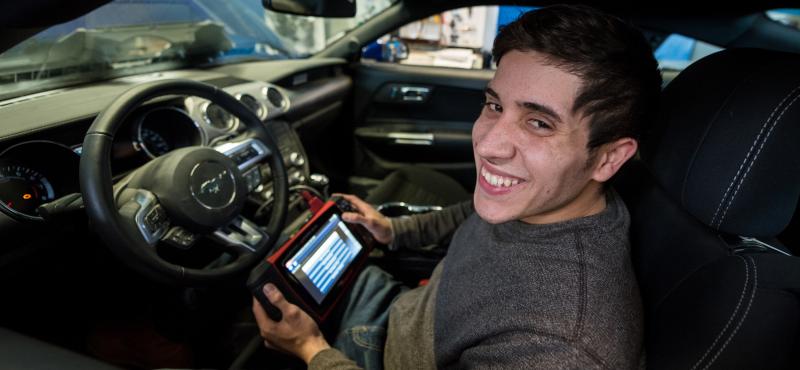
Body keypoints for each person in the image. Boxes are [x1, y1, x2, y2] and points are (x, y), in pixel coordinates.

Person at [252, 4, 661, 369]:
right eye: (495, 106)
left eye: (539, 123)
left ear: (609, 158)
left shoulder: (557, 348)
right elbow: (476, 211)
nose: (486, 144)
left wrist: (310, 350)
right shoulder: (543, 201)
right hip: (411, 311)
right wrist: (395, 231)